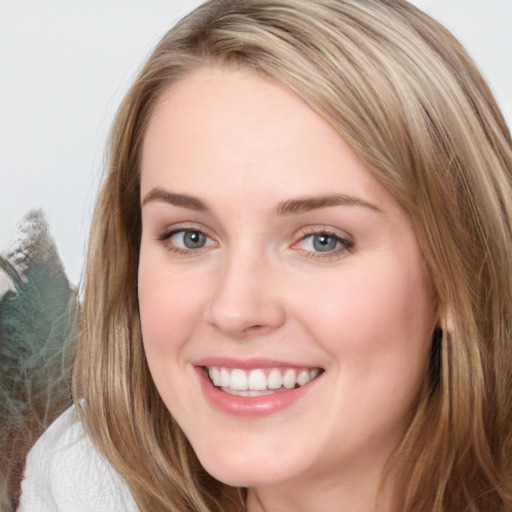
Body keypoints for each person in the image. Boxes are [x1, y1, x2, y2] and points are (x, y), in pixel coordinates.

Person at [18, 0, 512, 511]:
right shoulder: (87, 483)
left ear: (460, 274)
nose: (234, 310)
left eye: (323, 240)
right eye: (190, 237)